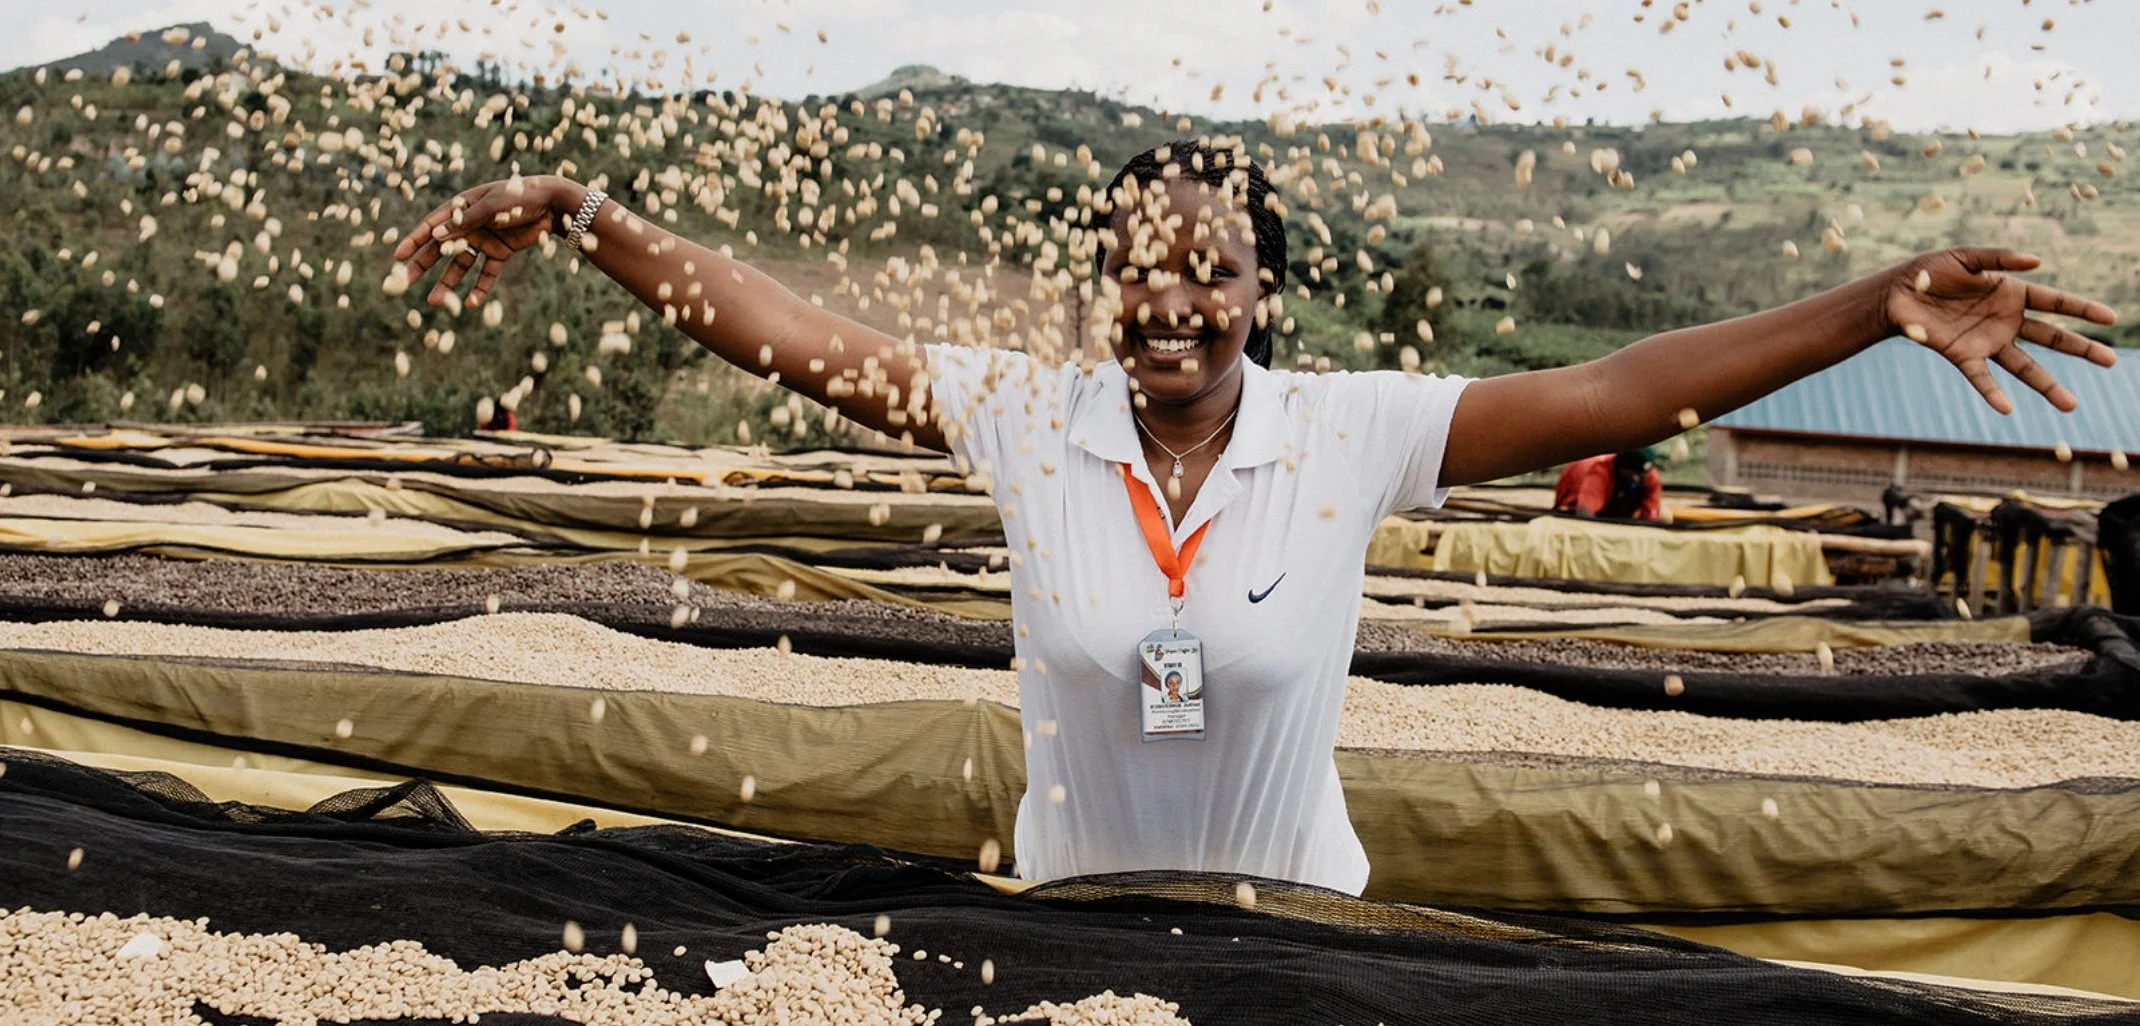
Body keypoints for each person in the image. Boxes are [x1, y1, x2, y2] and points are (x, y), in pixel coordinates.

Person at [392, 138, 2117, 896]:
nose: (1171, 302)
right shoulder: (1023, 419)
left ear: (1261, 287)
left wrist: (1871, 300)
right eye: (1139, 269)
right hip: (1055, 928)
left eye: (1210, 269)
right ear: (1100, 289)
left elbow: (1623, 388)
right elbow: (800, 338)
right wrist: (586, 215)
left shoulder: (1345, 434)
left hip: (1305, 940)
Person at [1554, 448, 1663, 521]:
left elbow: (1651, 517)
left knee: (1666, 516)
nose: (1637, 479)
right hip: (1574, 497)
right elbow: (1584, 514)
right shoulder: (1600, 473)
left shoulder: (1650, 477)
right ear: (1620, 468)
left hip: (1619, 501)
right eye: (1633, 474)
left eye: (1642, 475)